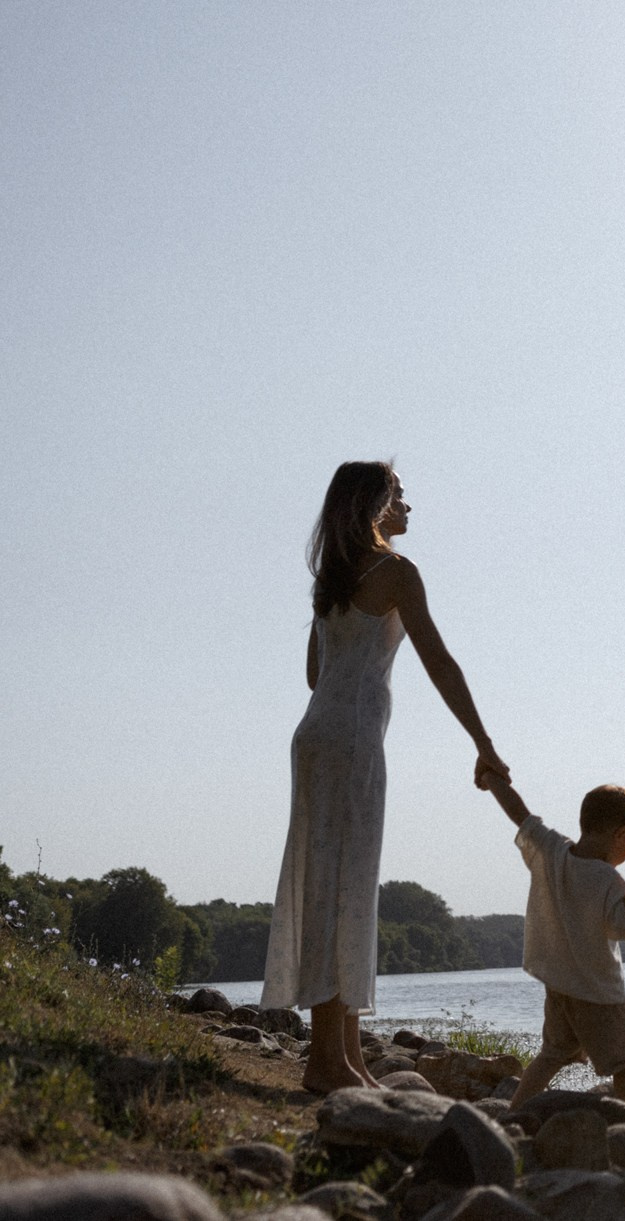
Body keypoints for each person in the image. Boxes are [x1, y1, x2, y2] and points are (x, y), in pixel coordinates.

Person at [263, 461, 510, 1094]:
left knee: (334, 884)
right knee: (344, 887)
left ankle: (345, 1056)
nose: (408, 505)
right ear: (375, 503)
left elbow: (316, 674)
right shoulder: (396, 572)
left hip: (317, 733)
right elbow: (440, 661)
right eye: (399, 494)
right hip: (351, 740)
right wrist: (482, 741)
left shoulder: (332, 577)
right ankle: (325, 1061)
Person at [478, 774, 625, 1109]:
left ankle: (514, 1115)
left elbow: (520, 814)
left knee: (551, 1055)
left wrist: (493, 779)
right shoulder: (607, 878)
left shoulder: (552, 850)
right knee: (623, 1064)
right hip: (598, 992)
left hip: (559, 987)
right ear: (620, 834)